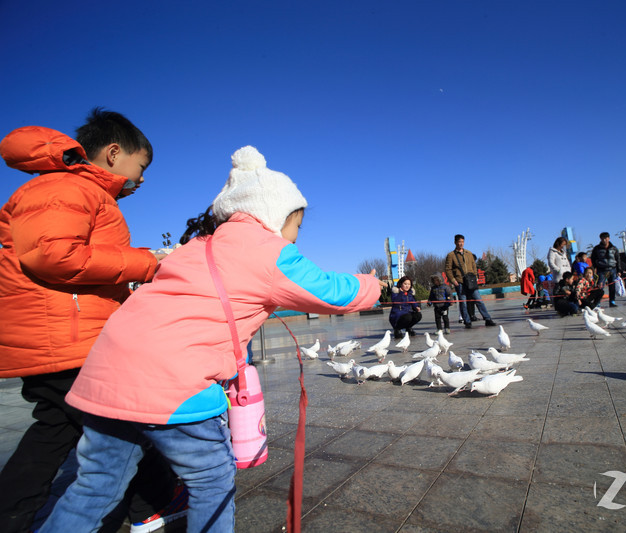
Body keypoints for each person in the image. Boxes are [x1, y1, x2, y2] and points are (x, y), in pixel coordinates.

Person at [38, 146, 385, 532]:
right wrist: (374, 285)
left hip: (106, 375)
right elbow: (331, 293)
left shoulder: (196, 246)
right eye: (297, 226)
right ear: (275, 215)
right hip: (171, 381)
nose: (295, 237)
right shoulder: (269, 252)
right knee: (211, 480)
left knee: (95, 485)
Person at [0, 110, 182, 533]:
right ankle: (146, 507)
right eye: (140, 167)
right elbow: (52, 255)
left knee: (56, 431)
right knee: (130, 428)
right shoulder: (69, 188)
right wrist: (146, 263)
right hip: (69, 339)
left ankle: (11, 515)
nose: (141, 179)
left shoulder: (71, 190)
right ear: (114, 153)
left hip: (60, 337)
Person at [444, 234, 496, 328]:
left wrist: (475, 276)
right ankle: (467, 321)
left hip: (471, 282)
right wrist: (453, 280)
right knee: (463, 302)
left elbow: (474, 266)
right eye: (459, 242)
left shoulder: (469, 253)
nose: (461, 244)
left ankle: (487, 319)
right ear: (455, 242)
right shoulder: (451, 255)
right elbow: (448, 269)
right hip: (460, 282)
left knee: (479, 300)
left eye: (462, 241)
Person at [590, 232, 620, 307]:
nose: (604, 240)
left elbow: (618, 259)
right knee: (600, 286)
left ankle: (612, 301)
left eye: (606, 238)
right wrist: (595, 267)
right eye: (602, 238)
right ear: (600, 239)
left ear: (609, 238)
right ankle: (598, 302)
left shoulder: (614, 248)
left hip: (612, 269)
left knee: (612, 286)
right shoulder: (597, 248)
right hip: (601, 270)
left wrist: (619, 270)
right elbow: (593, 258)